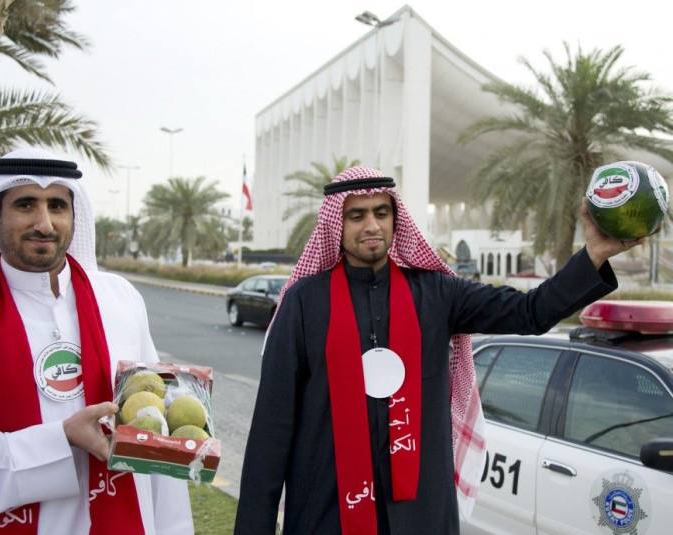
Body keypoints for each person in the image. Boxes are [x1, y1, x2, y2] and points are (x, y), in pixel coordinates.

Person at [234, 165, 646, 535]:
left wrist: (592, 254)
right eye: (356, 215)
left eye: (381, 212)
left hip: (421, 516)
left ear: (396, 219)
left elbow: (529, 312)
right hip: (326, 514)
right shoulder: (304, 304)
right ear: (336, 225)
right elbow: (271, 433)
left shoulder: (437, 294)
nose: (371, 225)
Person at [0, 147, 194, 535]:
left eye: (57, 206)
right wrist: (59, 441)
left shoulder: (120, 301)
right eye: (26, 205)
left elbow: (155, 438)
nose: (45, 223)